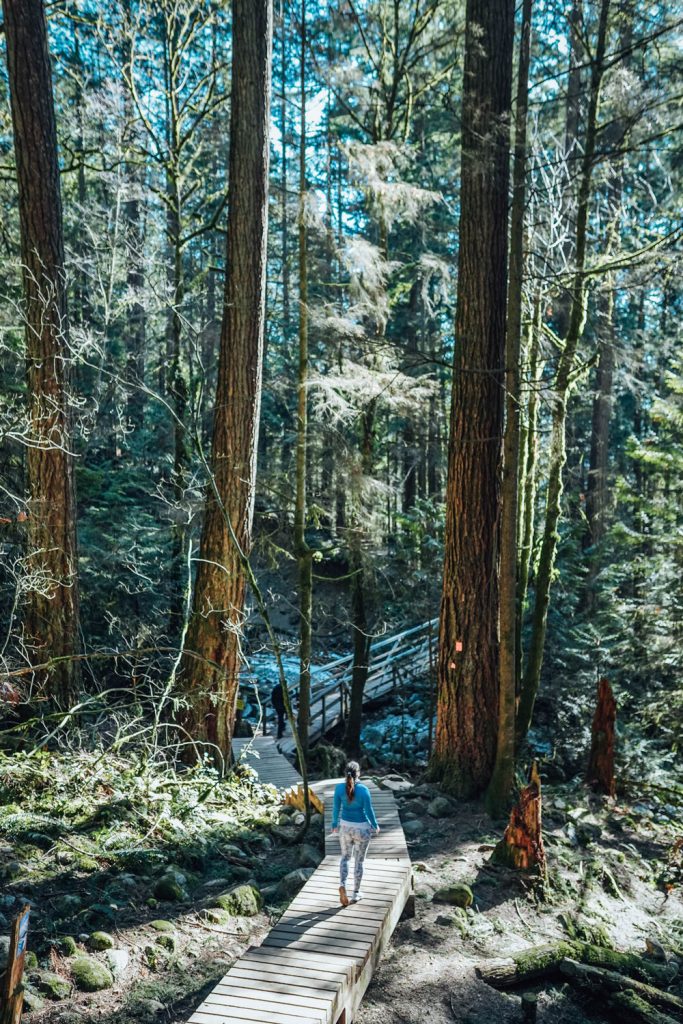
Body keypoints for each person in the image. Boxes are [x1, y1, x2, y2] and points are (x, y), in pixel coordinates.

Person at [330, 760, 380, 906]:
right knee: (359, 861)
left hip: (345, 828)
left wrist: (334, 824)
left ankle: (343, 884)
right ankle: (356, 892)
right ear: (359, 773)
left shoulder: (339, 789)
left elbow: (335, 809)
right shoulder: (364, 790)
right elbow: (369, 811)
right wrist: (375, 825)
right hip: (362, 829)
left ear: (345, 773)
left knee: (345, 858)